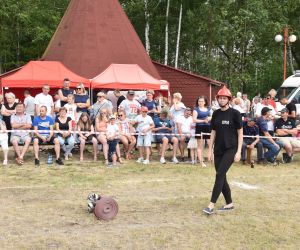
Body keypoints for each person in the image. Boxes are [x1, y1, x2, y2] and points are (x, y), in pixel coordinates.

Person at [203, 86, 243, 215]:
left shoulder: (235, 113)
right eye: (220, 98)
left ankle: (211, 205)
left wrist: (238, 152)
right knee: (222, 176)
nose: (221, 100)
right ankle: (229, 203)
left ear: (229, 99)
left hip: (231, 149)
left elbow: (240, 133)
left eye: (224, 98)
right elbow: (213, 133)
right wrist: (209, 150)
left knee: (219, 175)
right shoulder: (216, 113)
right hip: (218, 150)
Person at [193, 96, 211, 167]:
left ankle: (212, 160)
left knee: (210, 144)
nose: (200, 102)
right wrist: (204, 120)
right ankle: (201, 162)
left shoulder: (209, 109)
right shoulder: (196, 110)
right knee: (200, 146)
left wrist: (209, 118)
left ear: (205, 102)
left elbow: (212, 116)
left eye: (202, 101)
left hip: (208, 128)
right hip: (199, 128)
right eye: (199, 101)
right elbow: (194, 120)